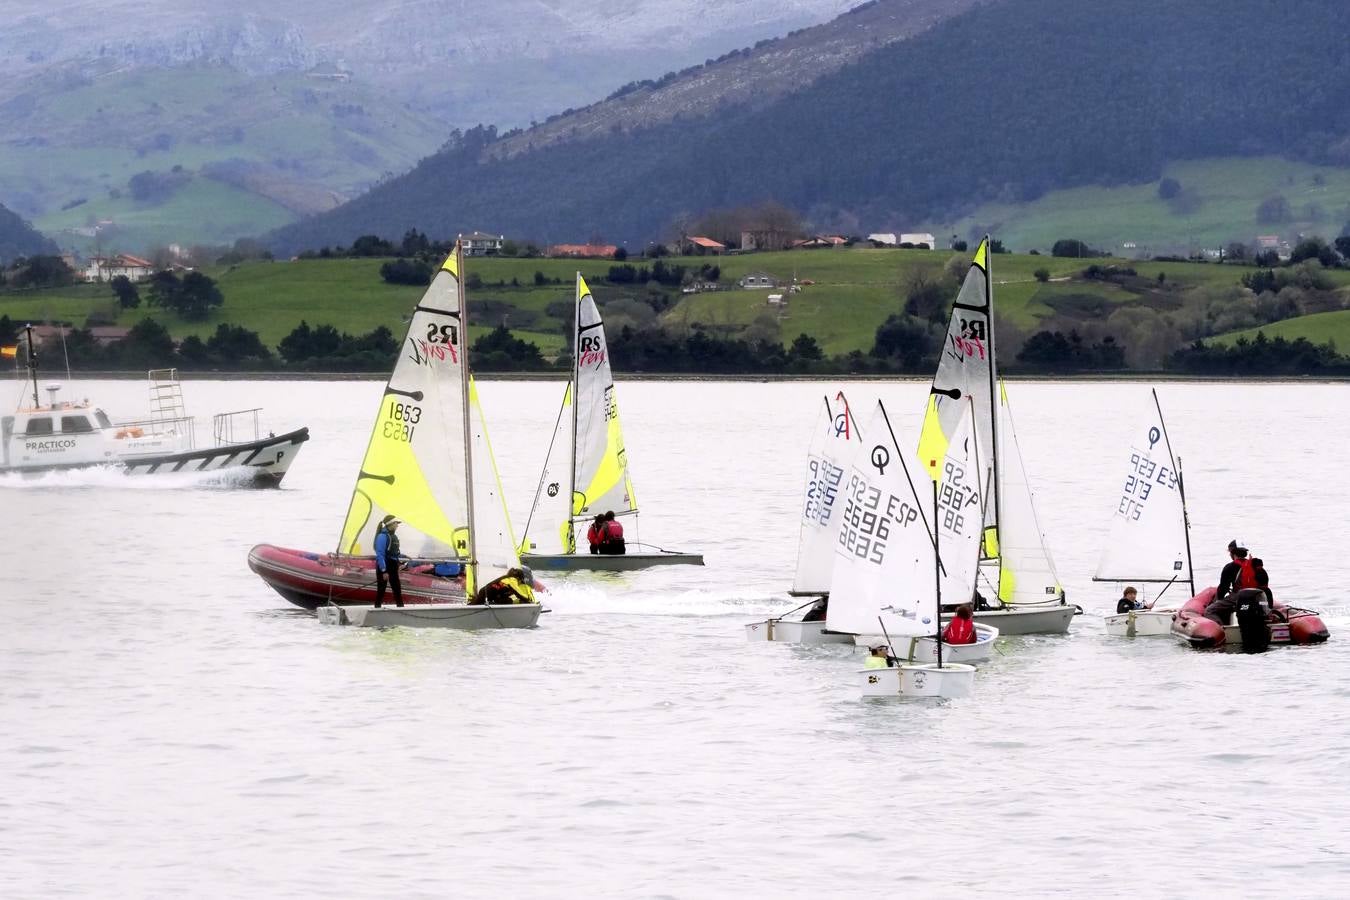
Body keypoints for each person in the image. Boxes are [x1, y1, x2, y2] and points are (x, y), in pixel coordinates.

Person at [1205, 540, 1257, 625]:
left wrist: (1218, 600)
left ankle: (1222, 630)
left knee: (1210, 610)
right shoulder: (1254, 564)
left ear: (1233, 553)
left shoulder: (1230, 567)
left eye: (1230, 552)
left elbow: (1223, 588)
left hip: (1238, 597)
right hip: (1256, 596)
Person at [373, 515, 404, 608]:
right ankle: (377, 608)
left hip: (393, 566)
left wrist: (400, 561)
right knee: (381, 590)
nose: (397, 525)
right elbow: (380, 554)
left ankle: (401, 608)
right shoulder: (382, 536)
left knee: (397, 590)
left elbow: (393, 553)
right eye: (396, 523)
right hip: (384, 567)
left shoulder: (393, 536)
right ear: (390, 524)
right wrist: (384, 571)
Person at [470, 567, 536, 605]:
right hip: (486, 595)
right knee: (471, 607)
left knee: (508, 599)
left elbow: (507, 594)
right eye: (520, 581)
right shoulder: (512, 580)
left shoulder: (505, 578)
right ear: (518, 578)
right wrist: (527, 600)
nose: (520, 583)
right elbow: (517, 592)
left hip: (487, 594)